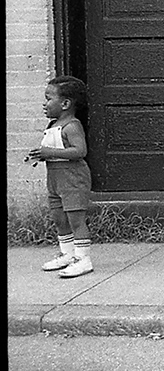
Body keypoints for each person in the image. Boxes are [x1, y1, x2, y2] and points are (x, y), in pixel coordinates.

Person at [27, 75, 95, 278]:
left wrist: (49, 152)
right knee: (59, 218)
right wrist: (40, 155)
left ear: (65, 104)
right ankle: (67, 253)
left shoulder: (72, 126)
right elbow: (55, 149)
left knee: (76, 219)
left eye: (48, 99)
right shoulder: (53, 125)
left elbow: (80, 151)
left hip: (73, 179)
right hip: (55, 179)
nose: (44, 104)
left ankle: (83, 259)